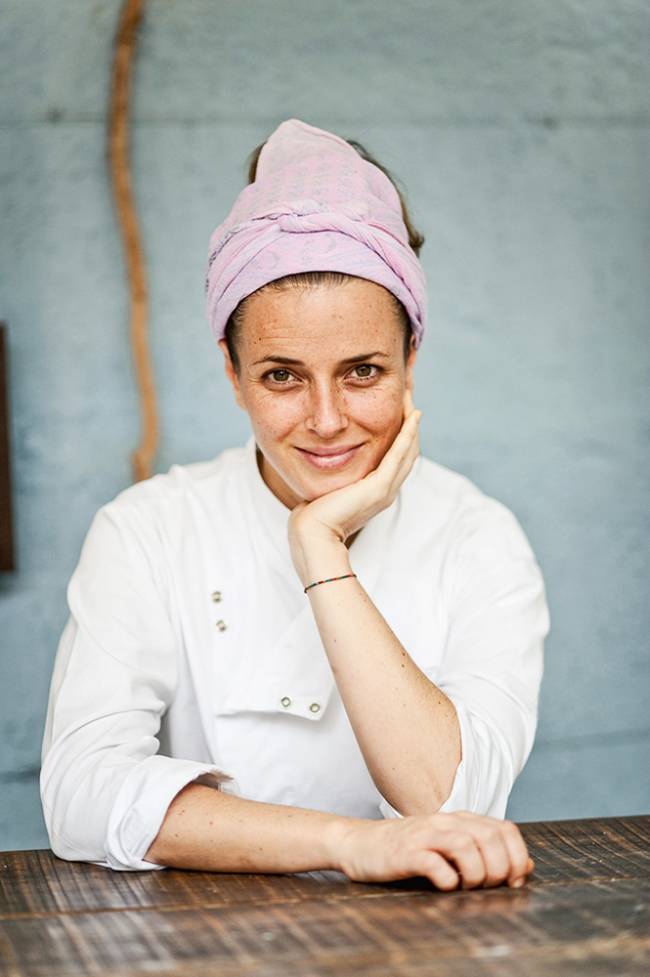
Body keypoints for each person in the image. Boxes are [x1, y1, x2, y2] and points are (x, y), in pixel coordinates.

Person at [40, 118, 550, 891]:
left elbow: (450, 798)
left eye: (363, 371)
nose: (325, 419)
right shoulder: (148, 529)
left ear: (412, 356)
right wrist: (350, 844)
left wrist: (319, 548)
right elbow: (82, 793)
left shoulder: (477, 538)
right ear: (231, 371)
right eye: (282, 375)